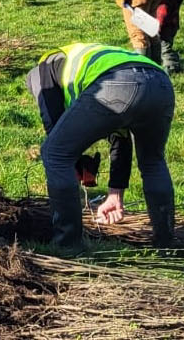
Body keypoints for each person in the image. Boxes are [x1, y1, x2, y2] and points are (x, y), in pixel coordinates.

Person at [26, 43, 176, 252]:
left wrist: (74, 164)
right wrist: (116, 192)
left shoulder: (43, 70)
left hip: (116, 82)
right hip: (160, 84)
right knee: (152, 162)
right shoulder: (81, 58)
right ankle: (166, 243)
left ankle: (67, 246)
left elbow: (53, 123)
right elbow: (120, 137)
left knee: (55, 154)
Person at [155, 0, 184, 71]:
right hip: (172, 25)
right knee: (166, 46)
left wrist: (156, 29)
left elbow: (162, 16)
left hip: (162, 28)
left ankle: (170, 67)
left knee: (165, 49)